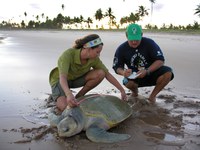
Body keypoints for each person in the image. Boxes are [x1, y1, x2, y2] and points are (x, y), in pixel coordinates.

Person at [49, 34, 127, 111]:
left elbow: (107, 74)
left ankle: (79, 96)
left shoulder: (94, 59)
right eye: (97, 52)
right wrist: (69, 94)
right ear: (88, 49)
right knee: (65, 108)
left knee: (101, 73)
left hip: (76, 79)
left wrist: (122, 90)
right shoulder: (68, 54)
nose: (98, 55)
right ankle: (57, 96)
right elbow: (63, 78)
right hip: (59, 81)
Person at [112, 23, 174, 103]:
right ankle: (135, 92)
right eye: (131, 39)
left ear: (141, 35)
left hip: (151, 73)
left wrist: (147, 71)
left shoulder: (149, 43)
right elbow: (116, 67)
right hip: (134, 77)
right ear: (126, 36)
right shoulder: (121, 49)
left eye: (137, 39)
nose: (134, 42)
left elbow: (160, 60)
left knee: (168, 73)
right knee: (128, 83)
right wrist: (123, 72)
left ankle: (152, 97)